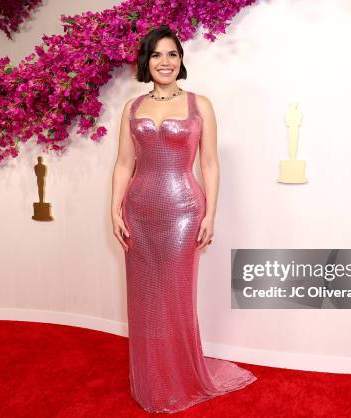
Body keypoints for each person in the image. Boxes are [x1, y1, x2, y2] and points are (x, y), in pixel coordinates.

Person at [110, 24, 257, 413]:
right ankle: (151, 379)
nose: (165, 61)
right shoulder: (132, 108)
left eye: (172, 54)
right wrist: (114, 208)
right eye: (157, 54)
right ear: (147, 61)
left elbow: (209, 162)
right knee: (143, 299)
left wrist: (211, 211)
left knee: (174, 296)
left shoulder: (199, 104)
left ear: (180, 60)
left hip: (183, 212)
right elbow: (124, 163)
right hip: (138, 211)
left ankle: (179, 376)